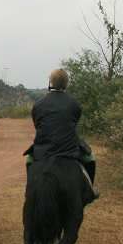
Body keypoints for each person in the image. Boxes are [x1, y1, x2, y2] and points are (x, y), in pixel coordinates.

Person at [24, 69, 98, 202]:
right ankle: (90, 192)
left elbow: (37, 125)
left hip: (44, 150)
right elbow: (74, 124)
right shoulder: (74, 104)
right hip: (68, 149)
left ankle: (29, 190)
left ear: (50, 82)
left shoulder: (38, 104)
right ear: (66, 83)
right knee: (90, 158)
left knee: (29, 160)